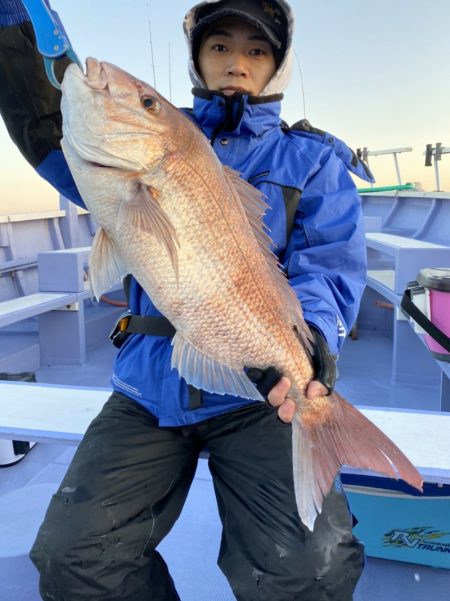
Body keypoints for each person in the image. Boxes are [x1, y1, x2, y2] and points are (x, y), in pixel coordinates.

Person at [0, 1, 374, 599]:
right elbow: (49, 125)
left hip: (259, 387)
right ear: (198, 58)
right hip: (149, 385)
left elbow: (328, 267)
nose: (236, 62)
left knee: (310, 571)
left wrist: (313, 350)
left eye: (256, 50)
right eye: (219, 45)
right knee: (72, 558)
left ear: (276, 66)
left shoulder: (314, 160)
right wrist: (14, 29)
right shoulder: (150, 143)